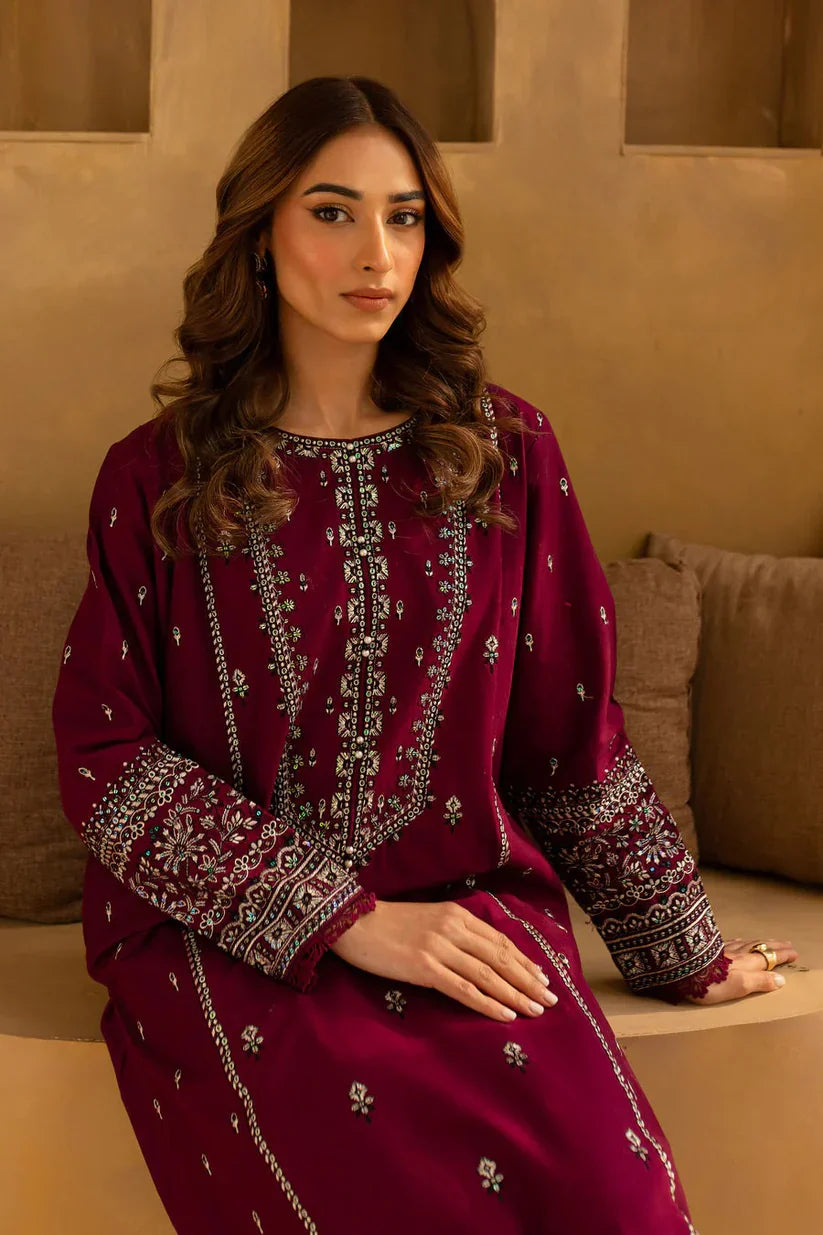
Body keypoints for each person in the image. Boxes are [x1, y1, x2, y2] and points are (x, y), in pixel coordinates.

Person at [52, 76, 797, 1235]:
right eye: (334, 211)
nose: (376, 254)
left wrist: (679, 949)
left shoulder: (500, 452)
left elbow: (569, 742)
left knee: (622, 1201)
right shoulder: (160, 477)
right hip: (232, 934)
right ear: (260, 237)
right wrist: (346, 915)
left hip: (463, 906)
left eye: (405, 217)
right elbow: (105, 756)